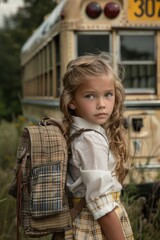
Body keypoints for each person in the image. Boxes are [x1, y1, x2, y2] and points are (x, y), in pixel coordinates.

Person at [60, 52, 134, 240]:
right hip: (95, 226)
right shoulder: (91, 140)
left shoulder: (80, 130)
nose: (102, 104)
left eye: (108, 94)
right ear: (72, 102)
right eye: (90, 96)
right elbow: (100, 203)